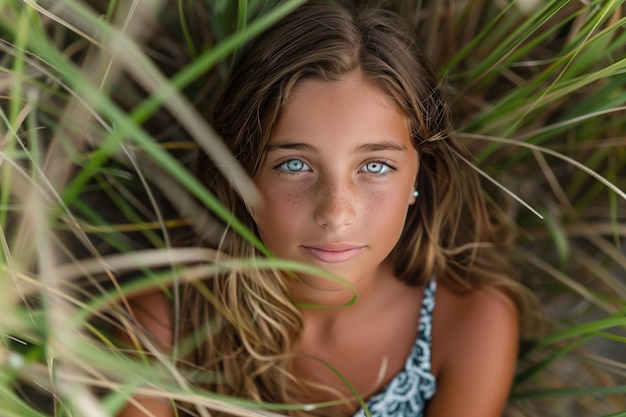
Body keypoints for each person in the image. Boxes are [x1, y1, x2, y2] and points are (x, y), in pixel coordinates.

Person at [117, 1, 539, 416]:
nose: (336, 214)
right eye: (294, 165)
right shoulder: (163, 327)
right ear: (240, 175)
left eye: (375, 166)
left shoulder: (469, 323)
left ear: (418, 176)